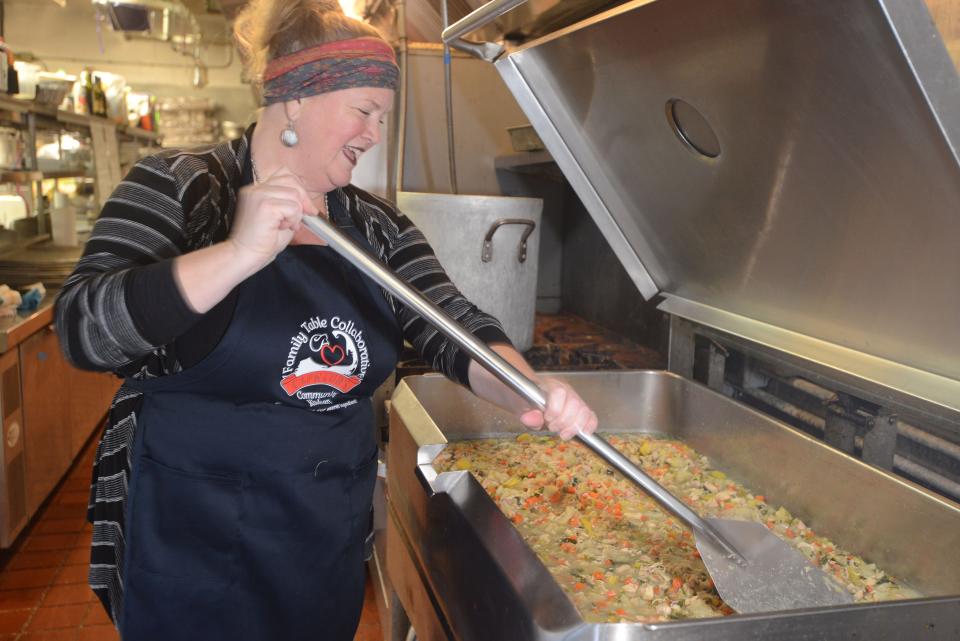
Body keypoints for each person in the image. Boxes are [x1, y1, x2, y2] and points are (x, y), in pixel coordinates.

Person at [55, 1, 599, 639]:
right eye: (364, 110)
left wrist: (530, 390)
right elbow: (83, 329)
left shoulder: (376, 226)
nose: (373, 132)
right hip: (189, 535)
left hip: (319, 536)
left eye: (382, 117)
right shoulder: (179, 187)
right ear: (294, 99)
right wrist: (235, 254)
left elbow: (451, 324)